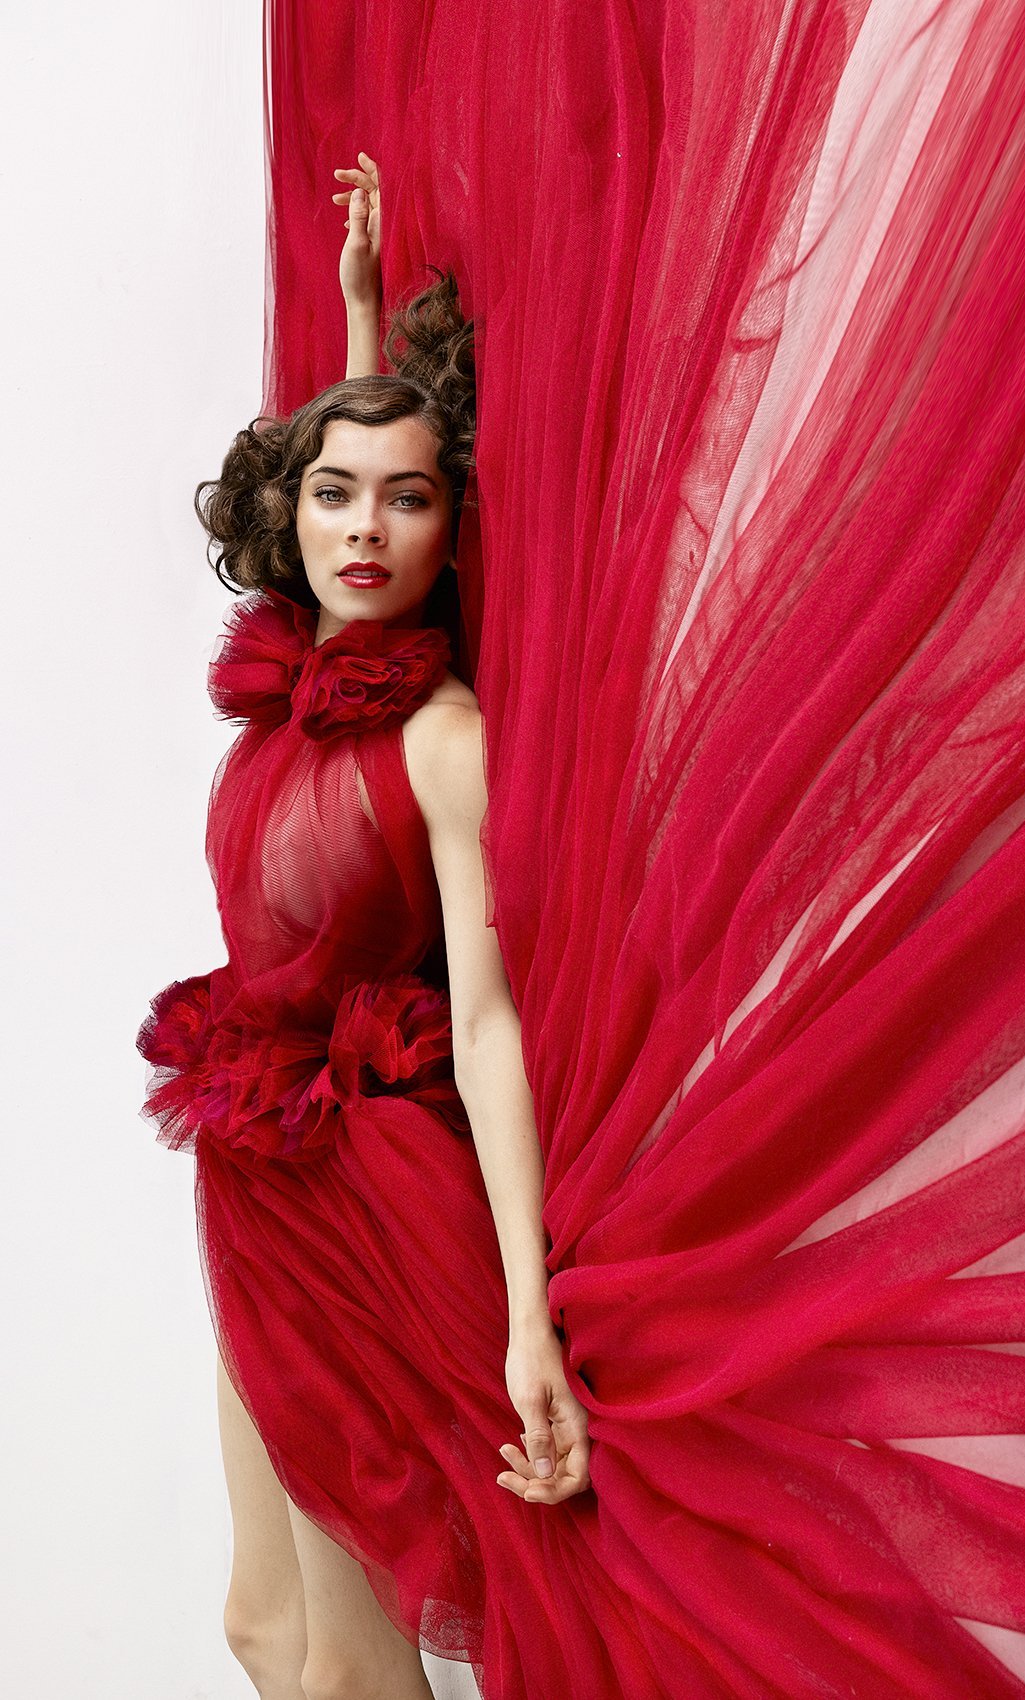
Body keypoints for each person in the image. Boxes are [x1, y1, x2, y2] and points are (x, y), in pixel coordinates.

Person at [138, 153, 596, 1700]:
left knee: (346, 1665)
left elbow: (486, 1020)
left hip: (360, 1190)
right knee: (261, 1628)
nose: (366, 528)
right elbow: (356, 460)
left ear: (448, 530)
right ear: (294, 505)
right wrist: (355, 318)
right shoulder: (296, 693)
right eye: (336, 493)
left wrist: (529, 1321)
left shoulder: (435, 733)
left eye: (409, 501)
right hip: (253, 1175)